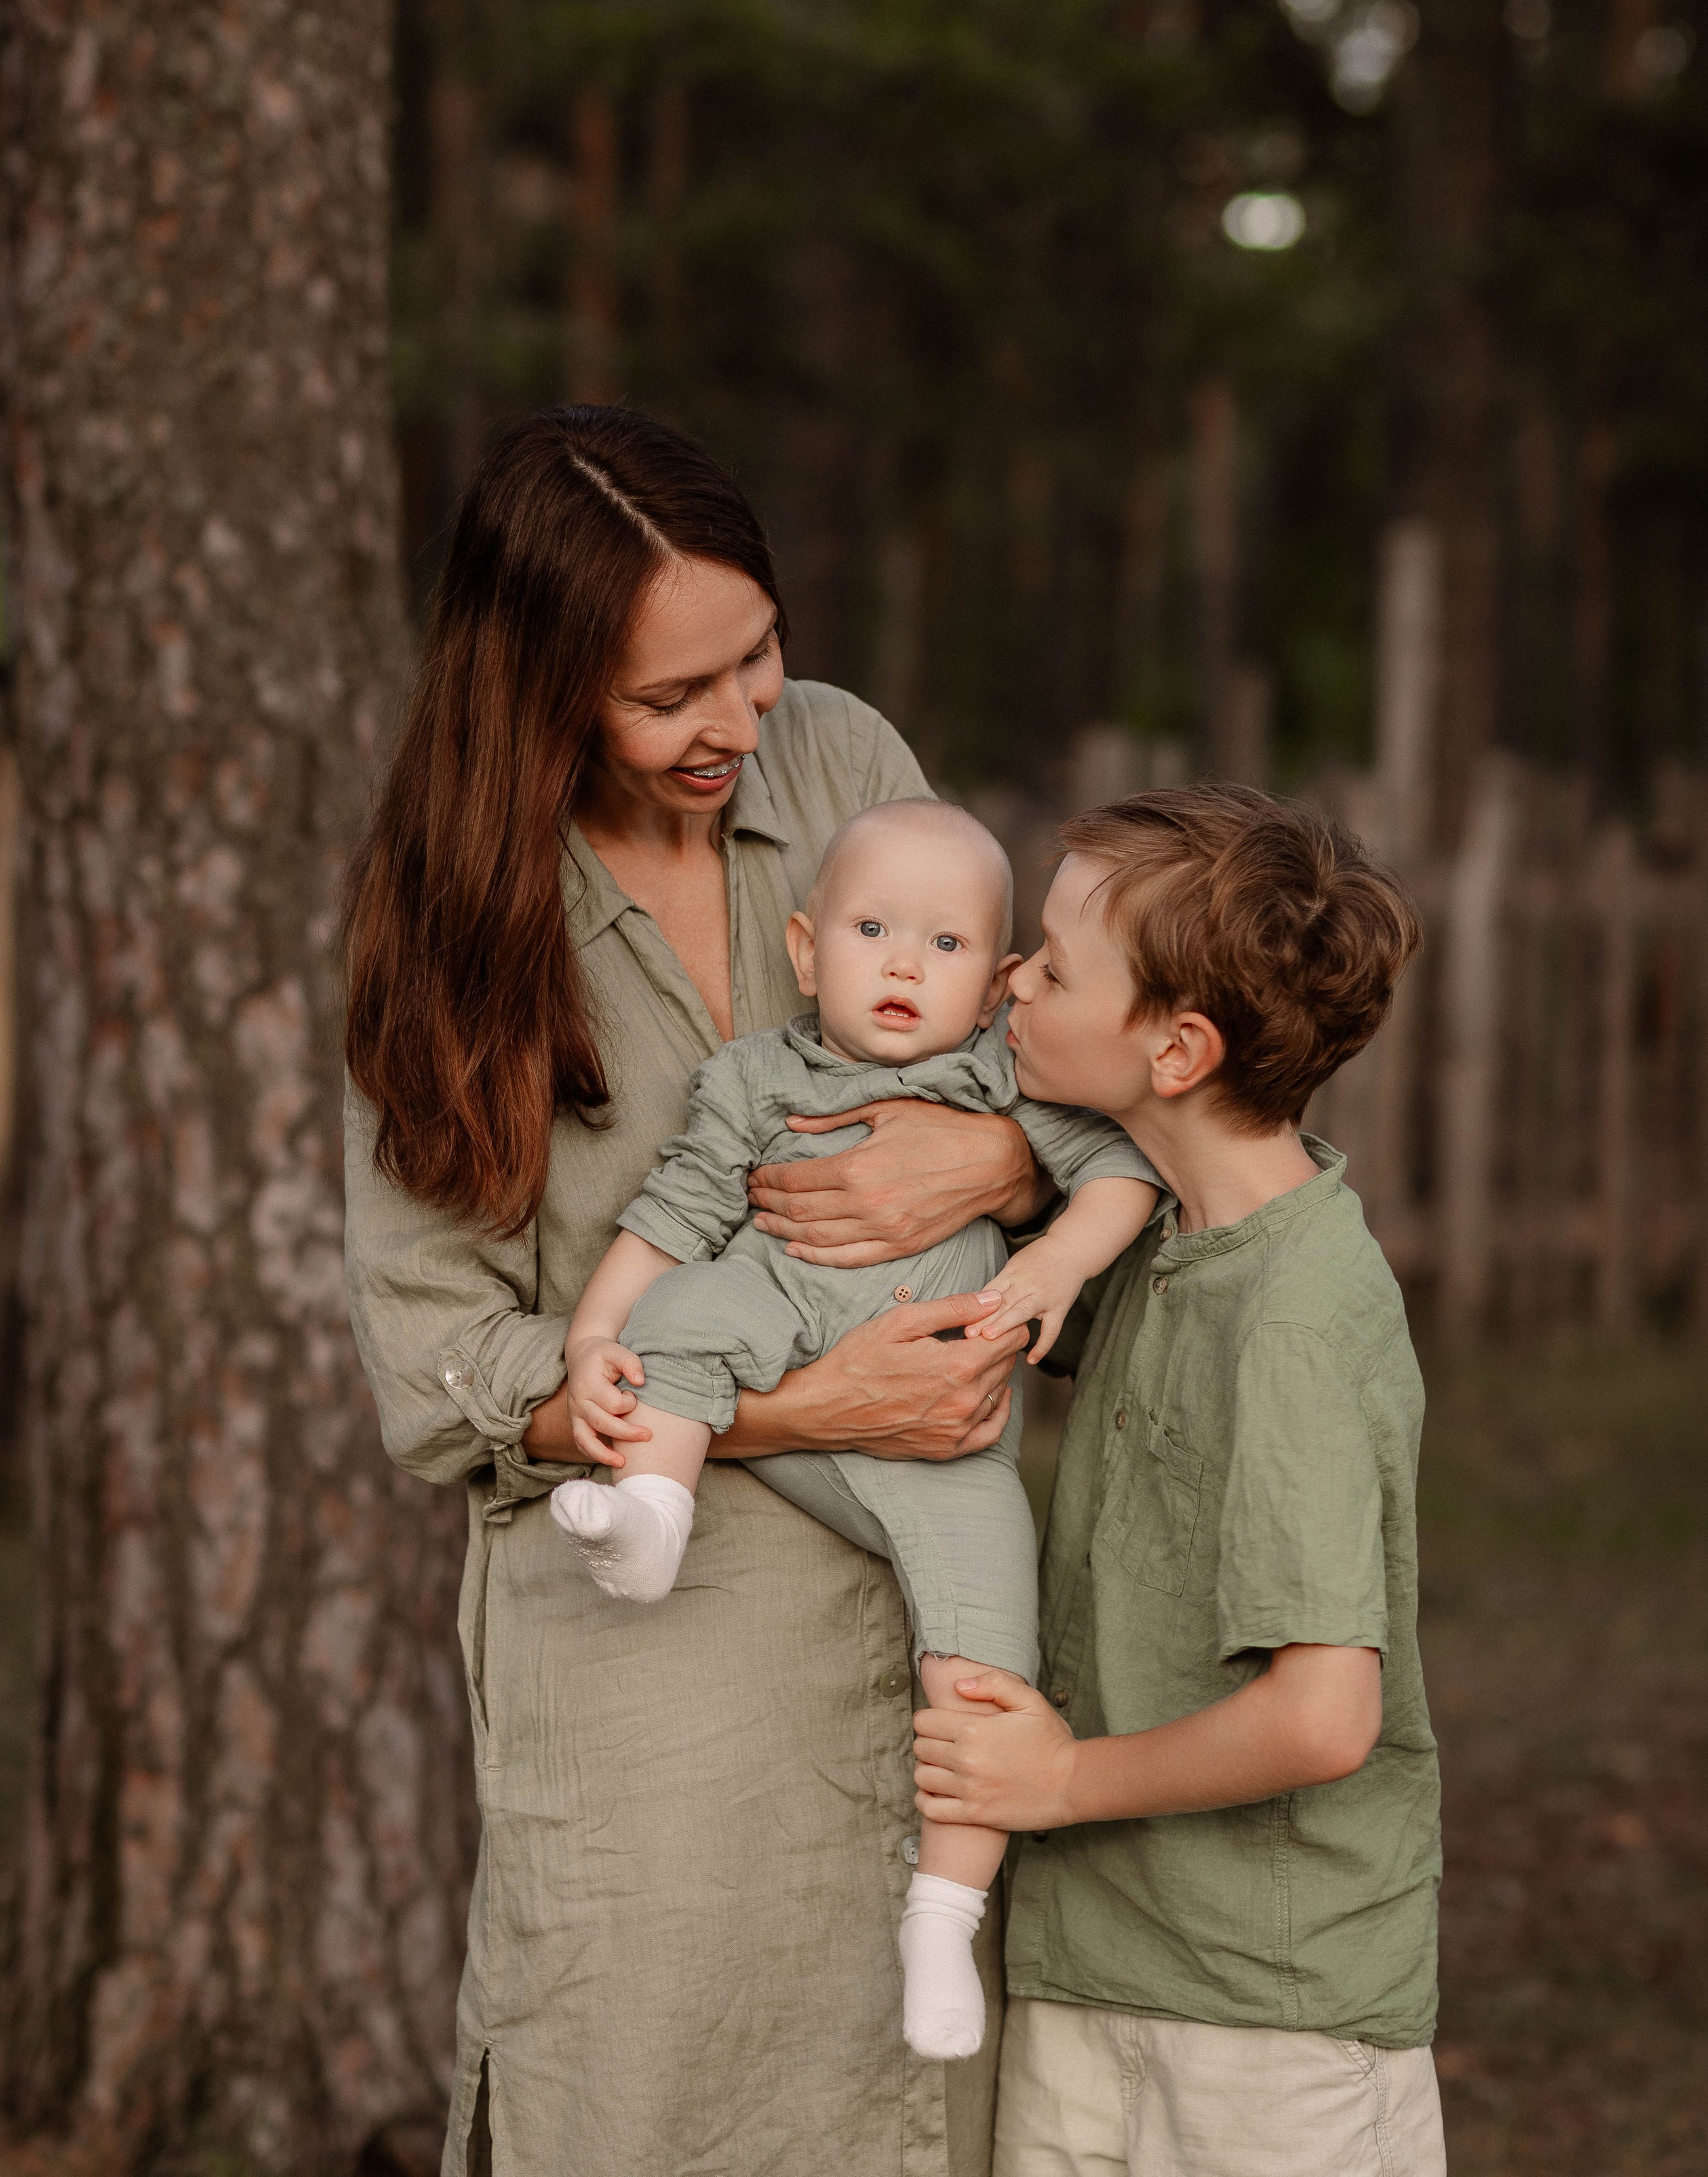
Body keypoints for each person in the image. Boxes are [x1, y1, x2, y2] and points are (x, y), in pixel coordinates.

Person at [343, 405, 1047, 2177]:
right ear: (541, 692)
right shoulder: (453, 923)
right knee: (641, 2103)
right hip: (654, 1664)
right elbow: (439, 1359)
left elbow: (1028, 1052)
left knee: (908, 2106)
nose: (742, 717)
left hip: (922, 1608)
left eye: (760, 653)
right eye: (672, 696)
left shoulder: (841, 758)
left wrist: (995, 1166)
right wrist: (790, 1408)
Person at [553, 797, 1163, 2060]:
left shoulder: (999, 1078)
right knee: (682, 1315)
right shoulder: (753, 1080)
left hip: (947, 1431)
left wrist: (1052, 1263)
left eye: (946, 946)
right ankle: (652, 1520)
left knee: (986, 1666)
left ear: (995, 983)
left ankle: (941, 1919)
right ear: (805, 948)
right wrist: (591, 1337)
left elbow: (1125, 1175)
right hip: (776, 1329)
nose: (903, 965)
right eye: (873, 930)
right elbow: (672, 1216)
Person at [910, 788, 1445, 2177]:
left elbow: (1324, 1717)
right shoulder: (1162, 1244)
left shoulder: (1293, 1314)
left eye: (1054, 964)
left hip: (1267, 2020)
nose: (1012, 979)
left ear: (1178, 1048)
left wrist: (1057, 1778)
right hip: (1094, 1964)